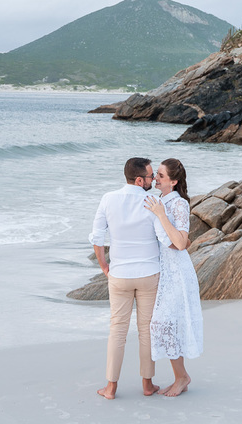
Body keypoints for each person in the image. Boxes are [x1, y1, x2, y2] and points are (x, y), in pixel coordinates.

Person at [88, 157, 164, 400]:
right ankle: (147, 385)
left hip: (119, 275)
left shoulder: (108, 199)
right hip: (149, 274)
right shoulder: (153, 202)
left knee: (117, 331)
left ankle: (110, 388)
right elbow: (163, 237)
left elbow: (97, 237)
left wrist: (104, 266)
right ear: (139, 180)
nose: (153, 180)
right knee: (146, 330)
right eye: (151, 177)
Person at [143, 158, 203, 397]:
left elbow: (179, 244)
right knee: (166, 324)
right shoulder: (160, 201)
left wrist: (161, 215)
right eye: (155, 174)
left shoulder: (178, 204)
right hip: (164, 271)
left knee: (164, 324)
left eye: (160, 175)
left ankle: (182, 377)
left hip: (177, 272)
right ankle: (181, 376)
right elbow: (185, 240)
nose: (155, 178)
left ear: (173, 181)